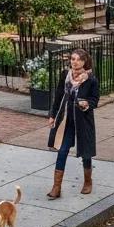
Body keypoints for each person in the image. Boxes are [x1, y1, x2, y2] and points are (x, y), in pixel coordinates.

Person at [46, 47, 100, 198]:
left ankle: (88, 181)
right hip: (67, 120)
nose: (74, 62)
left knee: (85, 152)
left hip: (83, 120)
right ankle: (56, 187)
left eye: (78, 59)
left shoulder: (91, 80)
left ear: (84, 62)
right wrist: (52, 115)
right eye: (72, 59)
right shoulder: (65, 75)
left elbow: (95, 100)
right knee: (62, 151)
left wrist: (86, 103)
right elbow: (58, 95)